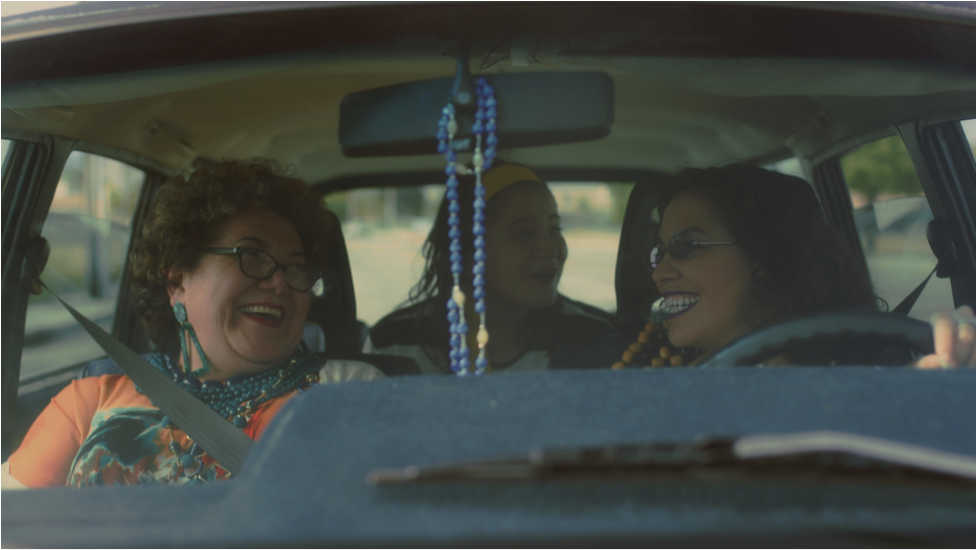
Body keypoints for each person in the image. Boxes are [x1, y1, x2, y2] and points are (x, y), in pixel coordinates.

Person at [2, 159, 383, 489]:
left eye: (296, 267)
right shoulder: (89, 399)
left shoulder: (348, 390)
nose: (280, 282)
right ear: (177, 281)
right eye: (252, 255)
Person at [604, 164, 976, 369]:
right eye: (659, 253)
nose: (658, 273)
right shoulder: (656, 370)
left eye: (685, 247)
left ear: (766, 256)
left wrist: (952, 365)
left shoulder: (870, 373)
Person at [365, 163, 616, 374]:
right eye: (523, 234)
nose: (549, 249)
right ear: (467, 253)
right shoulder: (393, 343)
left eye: (555, 230)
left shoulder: (594, 337)